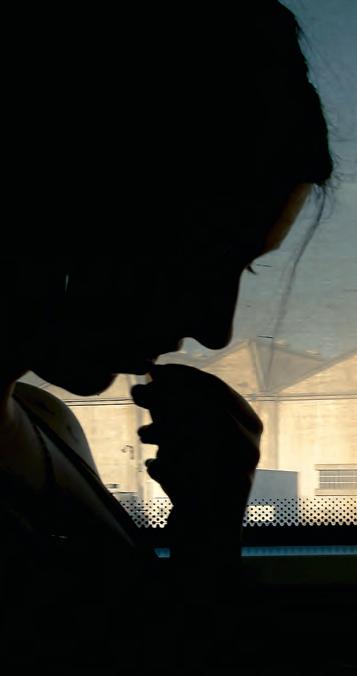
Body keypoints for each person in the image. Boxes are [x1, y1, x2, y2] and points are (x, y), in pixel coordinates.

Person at [0, 1, 333, 668]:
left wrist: (206, 528)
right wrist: (209, 542)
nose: (216, 329)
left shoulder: (48, 423)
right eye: (201, 264)